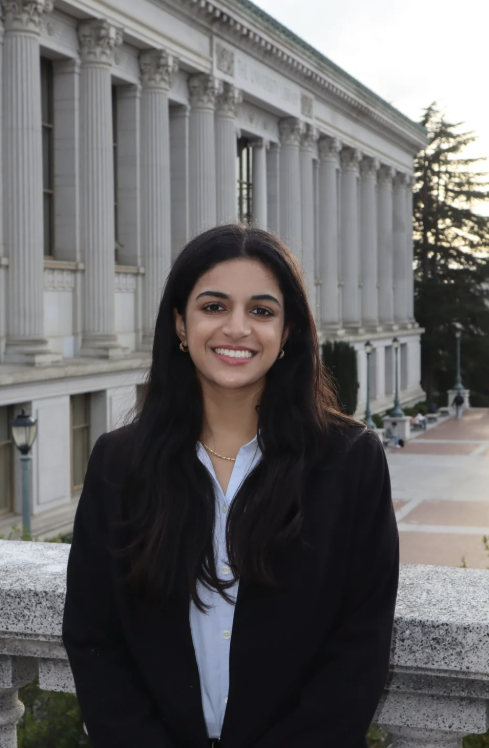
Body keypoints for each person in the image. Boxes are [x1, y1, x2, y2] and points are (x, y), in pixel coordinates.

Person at [62, 225, 399, 748]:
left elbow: (360, 645)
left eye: (262, 311)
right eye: (214, 306)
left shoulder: (349, 460)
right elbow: (93, 637)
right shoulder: (120, 462)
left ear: (287, 332)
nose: (237, 328)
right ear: (180, 323)